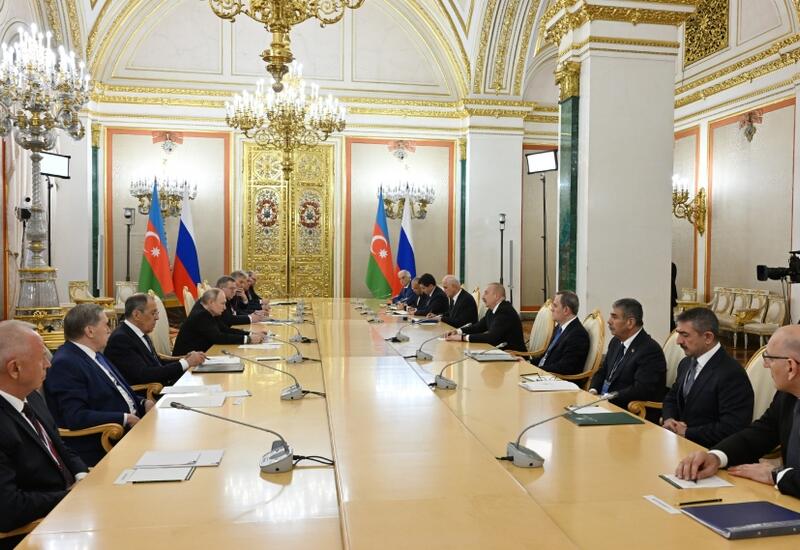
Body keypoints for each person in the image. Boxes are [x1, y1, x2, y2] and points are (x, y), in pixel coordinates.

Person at [675, 325, 800, 498]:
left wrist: (777, 475)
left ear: (791, 367)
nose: (765, 365)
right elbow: (761, 432)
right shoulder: (787, 395)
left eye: (769, 358)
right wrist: (716, 457)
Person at [0, 321, 88, 544]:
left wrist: (82, 475)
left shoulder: (31, 396)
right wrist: (71, 497)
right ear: (15, 369)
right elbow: (8, 508)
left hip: (69, 510)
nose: (49, 364)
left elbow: (60, 446)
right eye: (41, 358)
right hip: (36, 533)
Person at [44, 304, 154, 466]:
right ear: (90, 331)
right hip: (105, 442)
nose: (110, 330)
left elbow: (117, 391)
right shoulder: (66, 363)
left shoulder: (94, 353)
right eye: (106, 324)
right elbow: (75, 416)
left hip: (133, 428)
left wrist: (143, 402)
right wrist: (125, 418)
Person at [661, 308, 753, 448]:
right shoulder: (686, 363)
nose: (678, 341)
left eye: (685, 335)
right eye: (678, 334)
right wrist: (669, 419)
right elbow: (672, 398)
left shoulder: (731, 373)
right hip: (679, 444)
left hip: (711, 451)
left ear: (708, 337)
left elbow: (732, 427)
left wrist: (687, 432)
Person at [589, 298, 666, 421]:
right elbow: (603, 370)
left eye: (614, 317)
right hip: (604, 404)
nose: (609, 321)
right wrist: (593, 390)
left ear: (630, 322)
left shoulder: (650, 350)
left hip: (628, 411)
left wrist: (608, 397)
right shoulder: (616, 342)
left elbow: (641, 389)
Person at [104, 293, 206, 386]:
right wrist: (186, 363)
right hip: (149, 394)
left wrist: (186, 359)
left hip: (163, 385)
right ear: (136, 315)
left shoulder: (139, 332)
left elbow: (156, 362)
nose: (157, 318)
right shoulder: (120, 339)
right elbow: (144, 375)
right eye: (153, 313)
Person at [173, 288, 265, 356]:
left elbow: (225, 329)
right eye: (222, 303)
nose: (224, 308)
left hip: (203, 354)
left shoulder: (210, 311)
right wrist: (248, 339)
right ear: (211, 302)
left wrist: (251, 334)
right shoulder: (201, 315)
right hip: (187, 363)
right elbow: (218, 337)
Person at [445, 283, 526, 352]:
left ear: (496, 296)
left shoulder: (505, 312)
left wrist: (463, 338)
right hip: (500, 353)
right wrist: (458, 331)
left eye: (486, 293)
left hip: (514, 356)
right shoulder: (492, 310)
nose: (483, 297)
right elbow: (478, 327)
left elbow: (491, 337)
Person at [534, 291, 590, 376]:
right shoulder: (559, 327)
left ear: (566, 310)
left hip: (557, 379)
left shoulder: (578, 335)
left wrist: (535, 370)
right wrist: (527, 362)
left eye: (555, 305)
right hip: (544, 374)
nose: (551, 309)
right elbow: (546, 357)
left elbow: (564, 368)